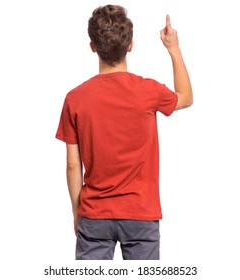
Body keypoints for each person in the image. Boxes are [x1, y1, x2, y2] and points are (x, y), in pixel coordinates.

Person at [56, 5, 192, 260]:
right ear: (130, 45)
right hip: (141, 213)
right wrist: (173, 48)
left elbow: (73, 165)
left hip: (94, 214)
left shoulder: (75, 99)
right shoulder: (149, 91)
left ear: (92, 47)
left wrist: (77, 211)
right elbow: (186, 98)